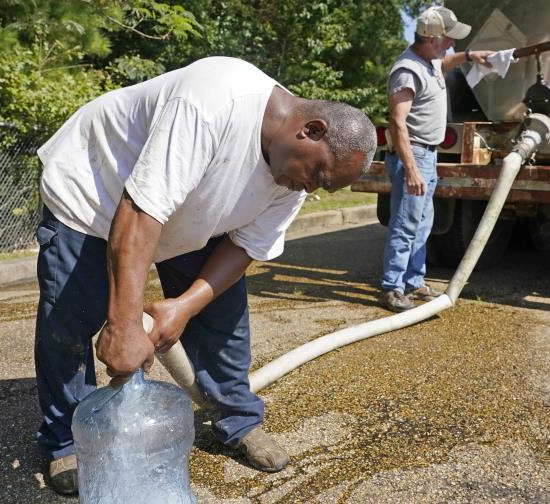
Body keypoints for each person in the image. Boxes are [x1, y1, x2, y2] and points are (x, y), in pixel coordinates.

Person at [33, 56, 376, 495]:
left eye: (323, 187)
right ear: (310, 131)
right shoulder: (216, 98)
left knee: (222, 318)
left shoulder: (294, 174)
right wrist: (121, 325)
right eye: (318, 175)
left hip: (184, 216)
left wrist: (182, 307)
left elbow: (246, 246)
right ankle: (66, 439)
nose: (311, 189)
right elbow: (139, 213)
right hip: (94, 197)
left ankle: (237, 420)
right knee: (70, 320)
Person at [380, 6, 494, 312]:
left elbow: (447, 61)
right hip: (413, 155)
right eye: (449, 40)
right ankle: (392, 287)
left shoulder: (429, 61)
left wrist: (471, 57)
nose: (452, 45)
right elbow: (398, 122)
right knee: (405, 224)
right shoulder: (408, 70)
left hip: (428, 155)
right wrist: (412, 170)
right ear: (433, 39)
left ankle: (415, 281)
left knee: (422, 223)